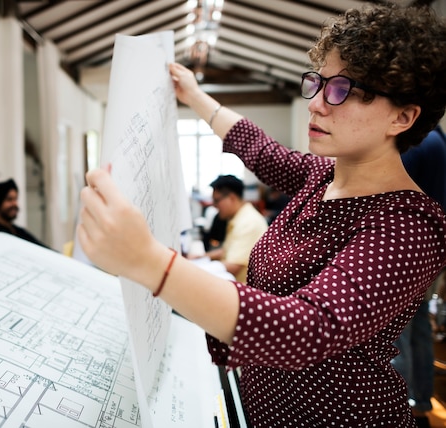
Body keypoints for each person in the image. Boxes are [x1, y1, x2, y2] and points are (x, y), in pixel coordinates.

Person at [76, 4, 446, 426]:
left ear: (403, 116)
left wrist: (148, 261)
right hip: (266, 407)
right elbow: (259, 149)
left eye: (342, 89)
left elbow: (309, 328)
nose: (317, 104)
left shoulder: (409, 226)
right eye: (318, 83)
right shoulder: (324, 174)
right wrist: (194, 95)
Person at [392, 125, 446, 428]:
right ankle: (421, 400)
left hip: (413, 250)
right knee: (419, 327)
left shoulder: (420, 143)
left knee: (402, 332)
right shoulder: (438, 140)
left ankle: (405, 406)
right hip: (432, 248)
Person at [191, 175, 268, 282]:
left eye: (217, 201)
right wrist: (201, 257)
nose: (214, 206)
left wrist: (191, 269)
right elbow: (229, 250)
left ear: (232, 198)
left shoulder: (248, 223)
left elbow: (234, 266)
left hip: (244, 290)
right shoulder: (239, 217)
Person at [0, 178, 50, 249]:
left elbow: (43, 249)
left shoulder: (19, 231)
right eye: (9, 199)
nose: (15, 204)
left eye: (16, 199)